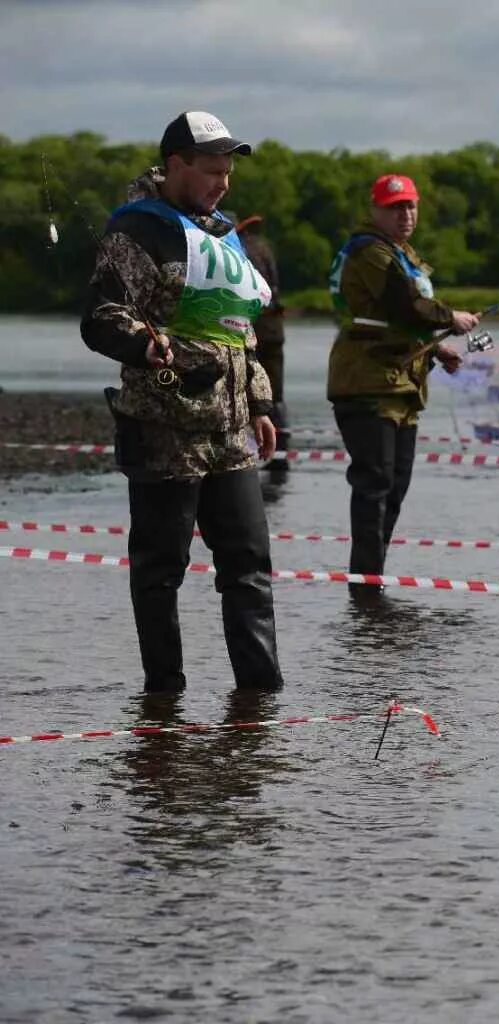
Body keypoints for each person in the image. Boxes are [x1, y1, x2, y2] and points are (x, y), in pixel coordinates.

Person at [80, 111, 283, 692]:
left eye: (228, 173)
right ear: (175, 166)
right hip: (164, 425)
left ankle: (261, 698)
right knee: (159, 570)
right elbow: (100, 318)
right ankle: (164, 698)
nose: (223, 183)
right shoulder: (138, 230)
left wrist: (262, 406)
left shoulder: (222, 233)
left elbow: (239, 331)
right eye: (212, 171)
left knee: (249, 567)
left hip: (232, 430)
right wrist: (145, 343)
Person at [327, 173, 480, 596]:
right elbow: (405, 304)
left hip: (402, 386)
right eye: (395, 207)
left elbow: (398, 319)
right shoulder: (369, 251)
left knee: (394, 489)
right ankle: (366, 589)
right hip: (366, 382)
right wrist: (452, 319)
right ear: (374, 210)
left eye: (410, 206)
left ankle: (372, 584)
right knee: (374, 486)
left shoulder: (400, 252)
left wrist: (436, 350)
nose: (405, 214)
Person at [235, 214, 289, 467]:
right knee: (276, 393)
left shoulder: (240, 249)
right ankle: (282, 451)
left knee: (252, 390)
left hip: (255, 329)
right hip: (275, 329)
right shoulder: (264, 247)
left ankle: (265, 446)